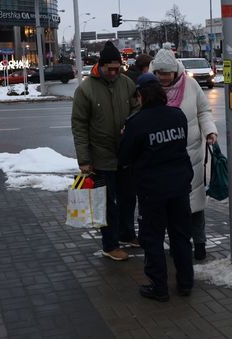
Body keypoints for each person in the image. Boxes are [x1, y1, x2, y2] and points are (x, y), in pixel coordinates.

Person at [119, 73, 194, 302]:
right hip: (180, 187)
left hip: (152, 191)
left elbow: (124, 158)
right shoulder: (177, 116)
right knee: (181, 237)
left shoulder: (136, 123)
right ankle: (185, 283)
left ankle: (159, 287)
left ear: (141, 95)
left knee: (152, 238)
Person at [71, 41, 139, 261]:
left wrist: (130, 124)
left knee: (128, 198)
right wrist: (84, 159)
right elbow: (79, 126)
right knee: (106, 203)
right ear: (100, 65)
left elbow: (137, 108)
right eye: (109, 69)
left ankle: (127, 234)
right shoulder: (85, 89)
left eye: (117, 69)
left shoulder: (126, 83)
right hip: (100, 158)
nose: (113, 73)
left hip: (125, 155)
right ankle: (109, 245)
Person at [149, 43, 218, 260]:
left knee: (195, 204)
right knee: (172, 206)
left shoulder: (191, 85)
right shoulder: (149, 89)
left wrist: (210, 132)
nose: (163, 78)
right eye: (159, 73)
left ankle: (200, 243)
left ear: (175, 71)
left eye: (167, 73)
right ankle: (180, 244)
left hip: (192, 155)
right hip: (164, 156)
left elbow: (203, 111)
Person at [118, 53, 154, 247]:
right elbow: (136, 109)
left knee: (129, 196)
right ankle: (128, 232)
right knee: (130, 195)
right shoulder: (136, 84)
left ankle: (128, 231)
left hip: (132, 144)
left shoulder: (132, 80)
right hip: (131, 146)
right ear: (145, 68)